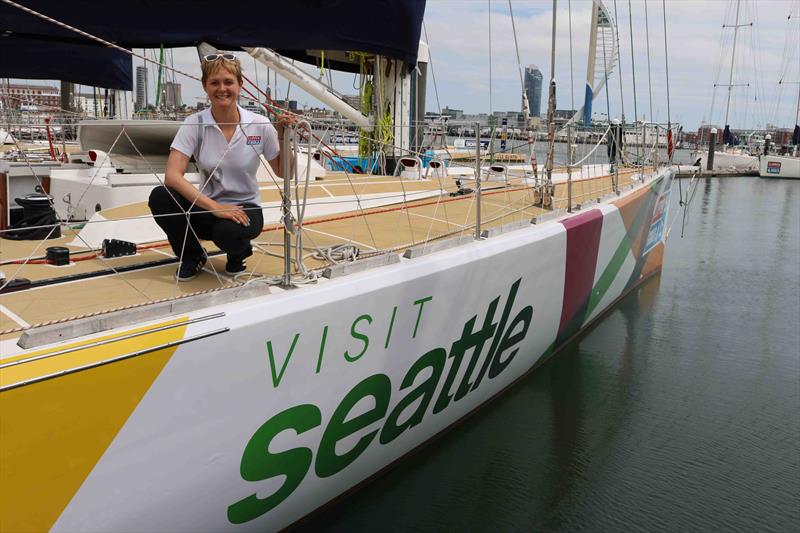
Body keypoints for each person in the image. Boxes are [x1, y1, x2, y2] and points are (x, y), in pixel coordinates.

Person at [148, 53, 293, 281]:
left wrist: (283, 137)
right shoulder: (194, 123)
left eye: (228, 82)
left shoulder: (259, 125)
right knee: (160, 197)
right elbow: (172, 176)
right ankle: (192, 256)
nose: (222, 88)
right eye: (214, 82)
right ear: (205, 86)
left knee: (227, 234)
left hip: (246, 208)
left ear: (240, 85)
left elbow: (286, 173)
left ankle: (239, 253)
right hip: (208, 206)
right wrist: (215, 207)